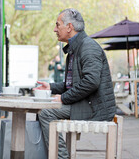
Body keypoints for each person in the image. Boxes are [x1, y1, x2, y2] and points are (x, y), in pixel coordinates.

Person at [34, 8, 116, 158]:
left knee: (45, 113)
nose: (54, 29)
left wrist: (63, 98)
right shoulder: (76, 47)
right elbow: (72, 84)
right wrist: (51, 87)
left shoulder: (88, 47)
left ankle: (62, 157)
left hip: (95, 108)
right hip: (85, 103)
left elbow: (91, 82)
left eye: (57, 25)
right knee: (43, 109)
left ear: (69, 27)